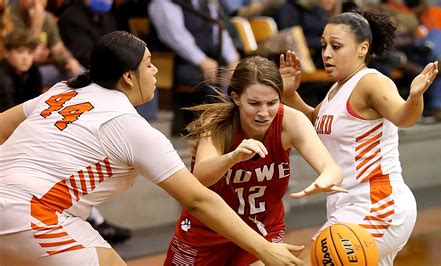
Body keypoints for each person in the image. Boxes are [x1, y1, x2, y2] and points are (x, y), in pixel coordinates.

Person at [0, 31, 305, 266]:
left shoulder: (62, 93)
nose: (156, 72)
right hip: (33, 215)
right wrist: (265, 249)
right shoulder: (128, 125)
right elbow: (199, 200)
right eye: (148, 65)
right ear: (128, 77)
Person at [280, 9, 438, 265]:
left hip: (378, 204)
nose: (327, 53)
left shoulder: (371, 82)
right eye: (323, 46)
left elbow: (403, 117)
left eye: (336, 46)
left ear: (363, 48)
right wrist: (290, 95)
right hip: (350, 205)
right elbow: (314, 122)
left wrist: (415, 96)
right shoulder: (336, 89)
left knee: (308, 261)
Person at [165, 56, 345, 265]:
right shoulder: (217, 124)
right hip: (207, 232)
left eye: (271, 103)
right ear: (235, 97)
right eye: (254, 103)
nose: (263, 112)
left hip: (262, 230)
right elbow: (200, 178)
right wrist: (232, 158)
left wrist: (325, 179)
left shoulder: (290, 121)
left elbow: (331, 168)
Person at [148, 0, 240, 135]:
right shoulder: (163, 3)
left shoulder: (205, 3)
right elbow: (175, 37)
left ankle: (232, 127)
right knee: (210, 81)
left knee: (238, 75)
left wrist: (232, 59)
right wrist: (202, 60)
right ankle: (214, 132)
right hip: (178, 63)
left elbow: (219, 30)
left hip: (210, 59)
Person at [10, 0, 83, 87]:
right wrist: (36, 24)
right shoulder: (10, 17)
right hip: (18, 72)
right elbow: (22, 55)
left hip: (40, 70)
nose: (36, 2)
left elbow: (57, 48)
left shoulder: (47, 18)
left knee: (80, 72)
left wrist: (69, 61)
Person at [0, 30, 42, 112]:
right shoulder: (3, 79)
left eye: (30, 52)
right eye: (20, 52)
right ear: (6, 52)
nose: (26, 58)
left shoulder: (34, 72)